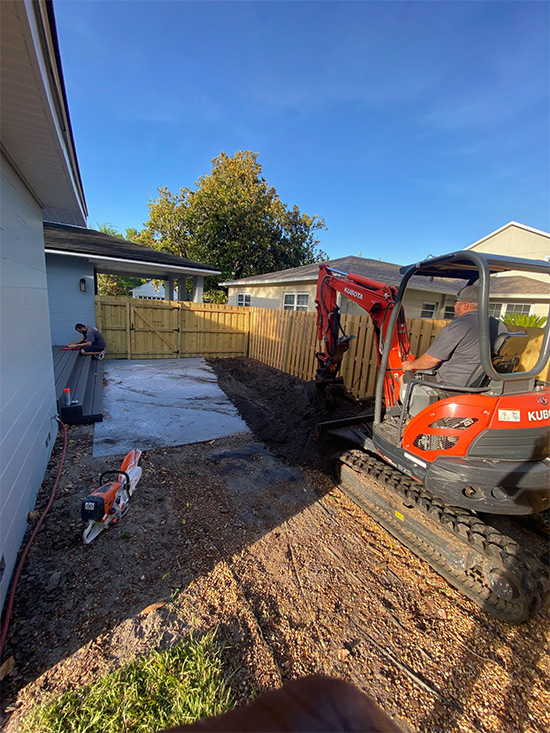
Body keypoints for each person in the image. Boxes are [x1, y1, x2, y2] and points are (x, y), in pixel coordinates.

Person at [401, 284, 507, 389]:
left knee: (404, 378)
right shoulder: (499, 326)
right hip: (481, 384)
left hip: (450, 385)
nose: (454, 306)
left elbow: (432, 360)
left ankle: (406, 406)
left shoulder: (459, 326)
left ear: (465, 305)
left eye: (456, 303)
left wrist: (411, 365)